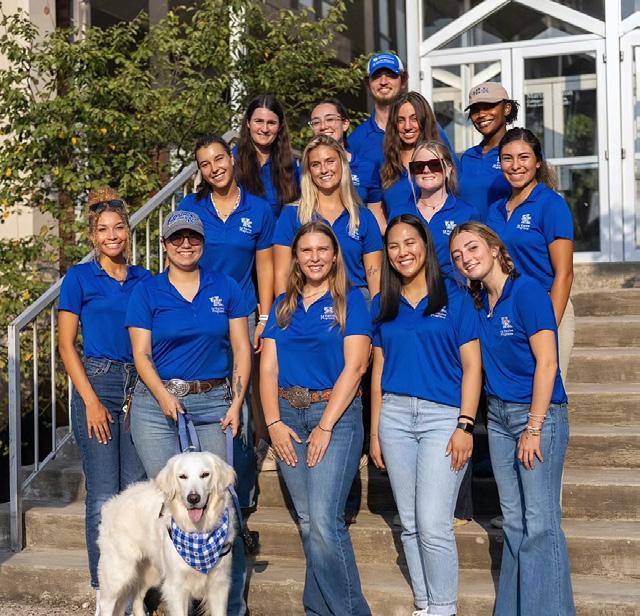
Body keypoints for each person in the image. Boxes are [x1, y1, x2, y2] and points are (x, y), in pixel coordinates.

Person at [125, 210, 252, 616]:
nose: (185, 244)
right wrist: (162, 395)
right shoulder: (147, 292)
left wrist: (237, 402)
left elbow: (242, 348)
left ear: (202, 243)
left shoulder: (225, 286)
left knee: (222, 503)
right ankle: (178, 599)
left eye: (192, 238)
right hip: (157, 405)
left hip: (214, 401)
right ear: (164, 245)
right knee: (173, 502)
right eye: (177, 238)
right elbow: (141, 354)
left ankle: (229, 607)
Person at [449, 222, 575, 616]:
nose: (466, 259)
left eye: (472, 248)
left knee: (540, 524)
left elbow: (548, 363)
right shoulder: (477, 303)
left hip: (537, 417)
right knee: (516, 524)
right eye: (457, 255)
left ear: (494, 247)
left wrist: (534, 427)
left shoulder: (527, 292)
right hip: (500, 419)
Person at [369, 214, 482, 616]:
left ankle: (444, 609)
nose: (403, 252)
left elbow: (472, 366)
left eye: (410, 242)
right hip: (395, 418)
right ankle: (425, 605)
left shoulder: (455, 298)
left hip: (443, 419)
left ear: (426, 246)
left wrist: (465, 424)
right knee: (411, 524)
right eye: (394, 246)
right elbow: (378, 371)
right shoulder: (382, 303)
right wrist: (374, 432)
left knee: (434, 524)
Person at [260, 221, 372, 616]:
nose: (314, 258)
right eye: (306, 251)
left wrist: (325, 426)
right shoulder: (283, 304)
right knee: (309, 522)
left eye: (322, 249)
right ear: (295, 257)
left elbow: (356, 367)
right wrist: (273, 424)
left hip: (334, 415)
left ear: (335, 255)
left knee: (325, 521)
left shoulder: (351, 300)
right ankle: (318, 609)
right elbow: (268, 369)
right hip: (288, 417)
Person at [58, 188, 150, 614]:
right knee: (103, 494)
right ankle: (105, 590)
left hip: (138, 387)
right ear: (93, 237)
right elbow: (66, 345)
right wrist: (91, 401)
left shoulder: (145, 280)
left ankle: (130, 591)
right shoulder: (79, 278)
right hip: (98, 382)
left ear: (128, 232)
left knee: (132, 493)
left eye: (118, 228)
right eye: (103, 230)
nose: (112, 236)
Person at [177, 134, 276, 506]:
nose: (214, 168)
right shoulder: (190, 207)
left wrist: (264, 317)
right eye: (205, 164)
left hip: (242, 314)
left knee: (240, 399)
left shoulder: (258, 209)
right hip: (199, 316)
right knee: (208, 395)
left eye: (219, 159)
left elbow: (265, 268)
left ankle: (242, 494)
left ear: (232, 158)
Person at [486, 127, 574, 379]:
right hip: (508, 311)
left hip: (546, 305)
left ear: (538, 162)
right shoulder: (495, 210)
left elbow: (565, 273)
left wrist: (547, 326)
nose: (515, 166)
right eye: (507, 158)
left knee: (547, 393)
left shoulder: (551, 204)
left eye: (523, 157)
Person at [273, 134, 383, 300]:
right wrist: (284, 310)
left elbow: (374, 274)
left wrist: (375, 311)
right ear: (309, 171)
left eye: (330, 161)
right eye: (315, 164)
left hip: (355, 302)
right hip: (308, 303)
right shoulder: (291, 215)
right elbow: (282, 274)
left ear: (342, 163)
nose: (324, 170)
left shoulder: (363, 216)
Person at [387, 140, 479, 286]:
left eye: (434, 165)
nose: (426, 170)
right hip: (410, 293)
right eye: (418, 166)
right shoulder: (399, 213)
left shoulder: (466, 213)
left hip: (453, 293)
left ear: (448, 169)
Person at [309, 98, 384, 230]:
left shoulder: (367, 168)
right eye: (316, 122)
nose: (323, 126)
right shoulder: (306, 168)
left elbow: (376, 218)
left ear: (345, 124)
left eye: (330, 119)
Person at [380, 92, 454, 222]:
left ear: (424, 120)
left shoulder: (441, 156)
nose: (407, 127)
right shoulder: (386, 162)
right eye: (401, 120)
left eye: (414, 119)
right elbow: (376, 209)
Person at [458, 82, 519, 222]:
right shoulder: (468, 156)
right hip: (471, 235)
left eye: (488, 106)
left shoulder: (521, 153)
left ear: (506, 108)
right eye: (475, 110)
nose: (481, 114)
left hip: (505, 235)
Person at [234, 94, 301, 218]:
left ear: (280, 126)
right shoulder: (232, 159)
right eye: (258, 121)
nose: (264, 129)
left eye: (271, 123)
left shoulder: (289, 163)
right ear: (248, 122)